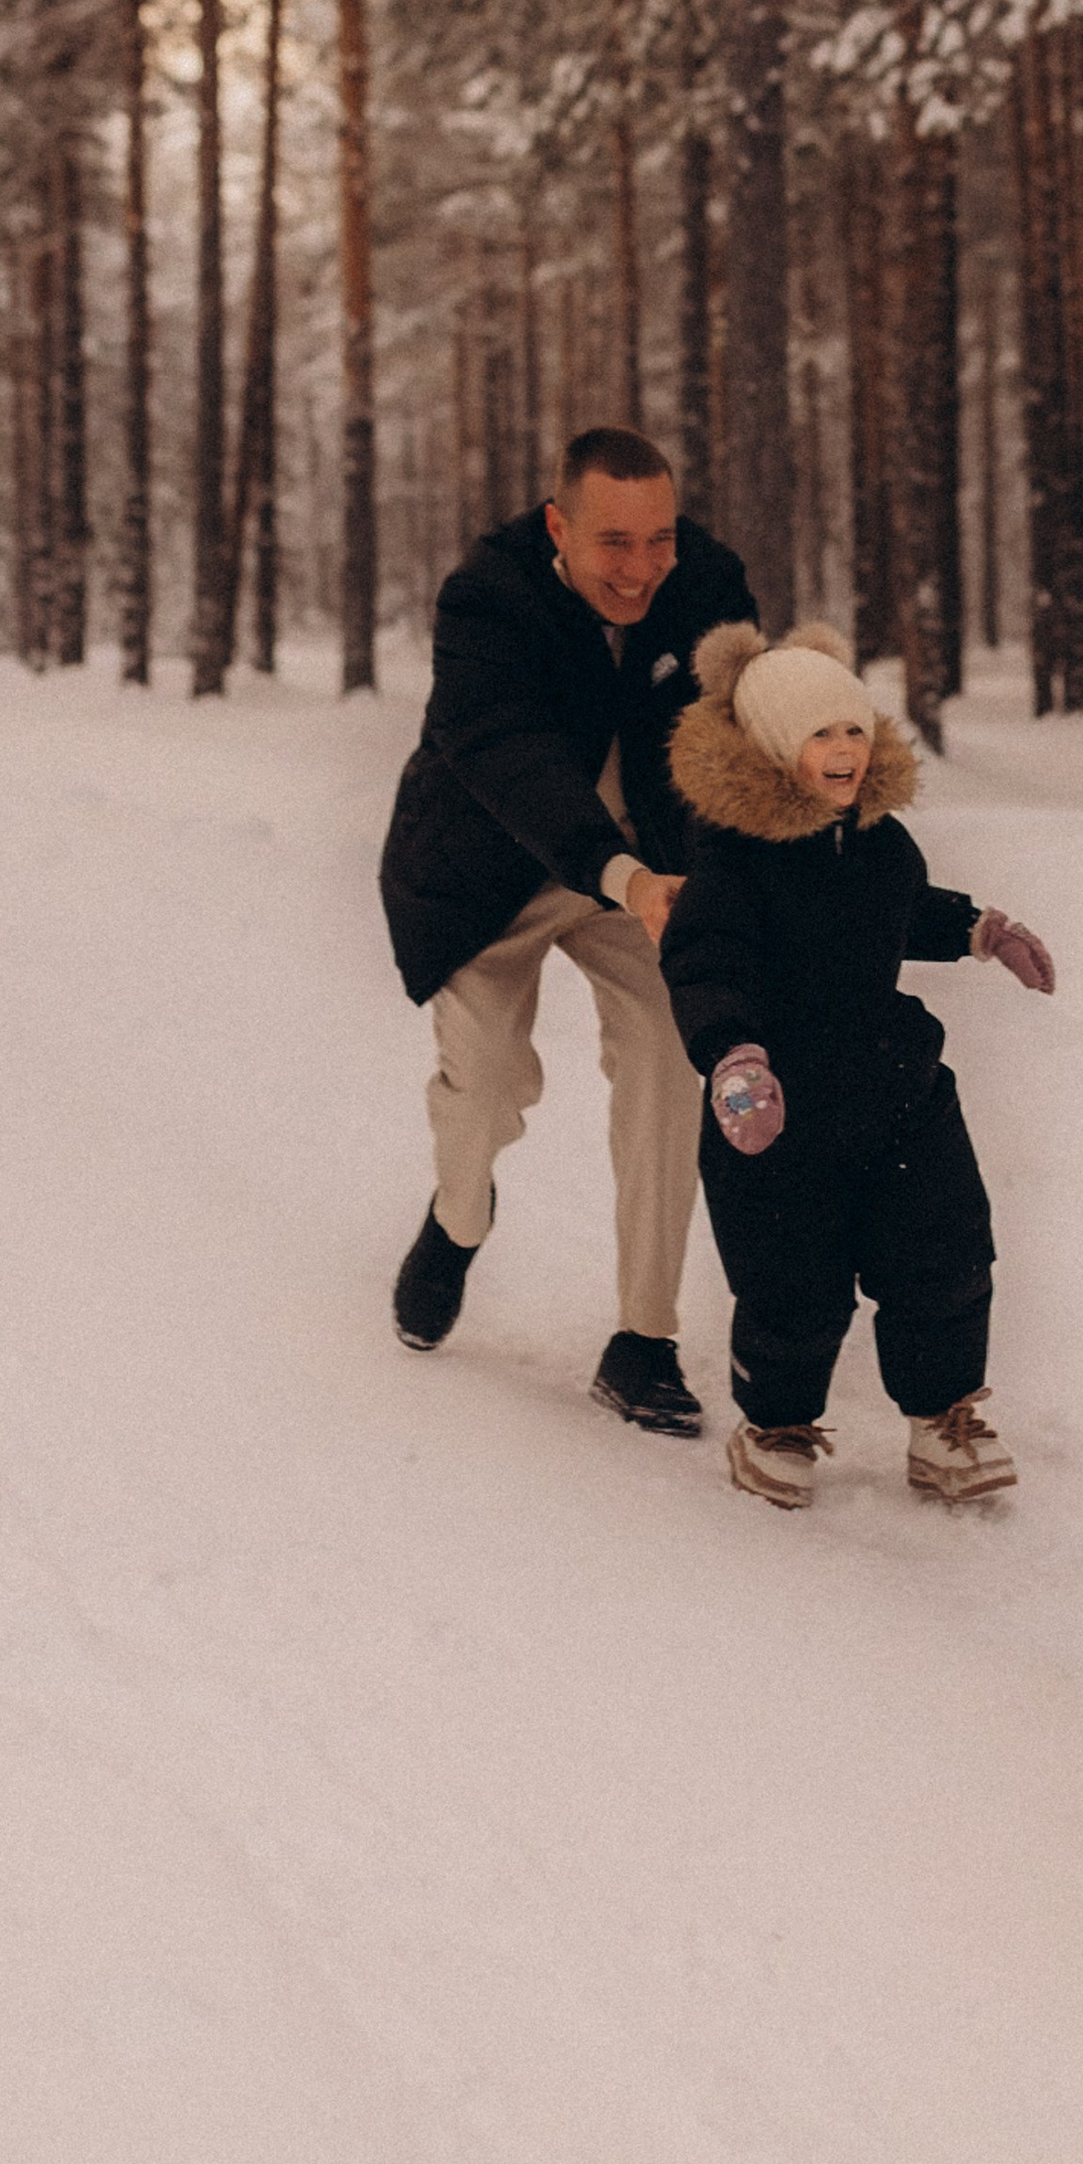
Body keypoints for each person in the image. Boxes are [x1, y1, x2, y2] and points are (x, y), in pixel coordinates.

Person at [376, 425, 754, 1434]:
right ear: (558, 526)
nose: (641, 570)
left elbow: (734, 751)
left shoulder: (711, 588)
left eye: (658, 540)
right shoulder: (485, 599)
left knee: (676, 1058)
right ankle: (459, 1219)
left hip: (645, 878)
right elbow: (510, 760)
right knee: (489, 1077)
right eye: (613, 545)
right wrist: (622, 874)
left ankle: (644, 1339)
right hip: (490, 872)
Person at [656, 618, 1058, 1509]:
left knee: (944, 1249)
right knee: (790, 1277)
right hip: (776, 1100)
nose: (844, 750)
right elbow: (704, 963)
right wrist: (733, 1059)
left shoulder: (876, 840)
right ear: (769, 746)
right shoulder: (732, 862)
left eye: (854, 729)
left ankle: (942, 1419)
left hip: (894, 1082)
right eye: (819, 734)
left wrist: (979, 931)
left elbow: (901, 908)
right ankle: (778, 1423)